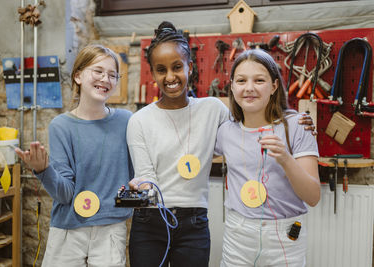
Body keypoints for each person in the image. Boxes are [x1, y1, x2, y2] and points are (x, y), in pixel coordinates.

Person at [126, 22, 315, 267]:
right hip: (150, 221)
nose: (170, 77)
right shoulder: (139, 120)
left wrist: (295, 120)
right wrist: (140, 186)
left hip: (194, 222)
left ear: (190, 67)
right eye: (161, 70)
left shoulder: (213, 110)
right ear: (152, 73)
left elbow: (247, 127)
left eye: (177, 67)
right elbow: (145, 175)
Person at [15, 44, 133, 267]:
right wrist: (43, 170)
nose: (105, 79)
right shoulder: (60, 126)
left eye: (112, 75)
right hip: (68, 229)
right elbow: (65, 194)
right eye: (98, 71)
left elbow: (137, 179)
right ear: (78, 76)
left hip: (110, 230)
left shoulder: (127, 121)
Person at [215, 49, 320, 267]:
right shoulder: (224, 131)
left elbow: (313, 196)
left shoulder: (297, 126)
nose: (249, 88)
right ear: (232, 86)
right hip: (237, 234)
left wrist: (285, 159)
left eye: (259, 80)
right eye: (241, 80)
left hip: (285, 237)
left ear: (273, 86)